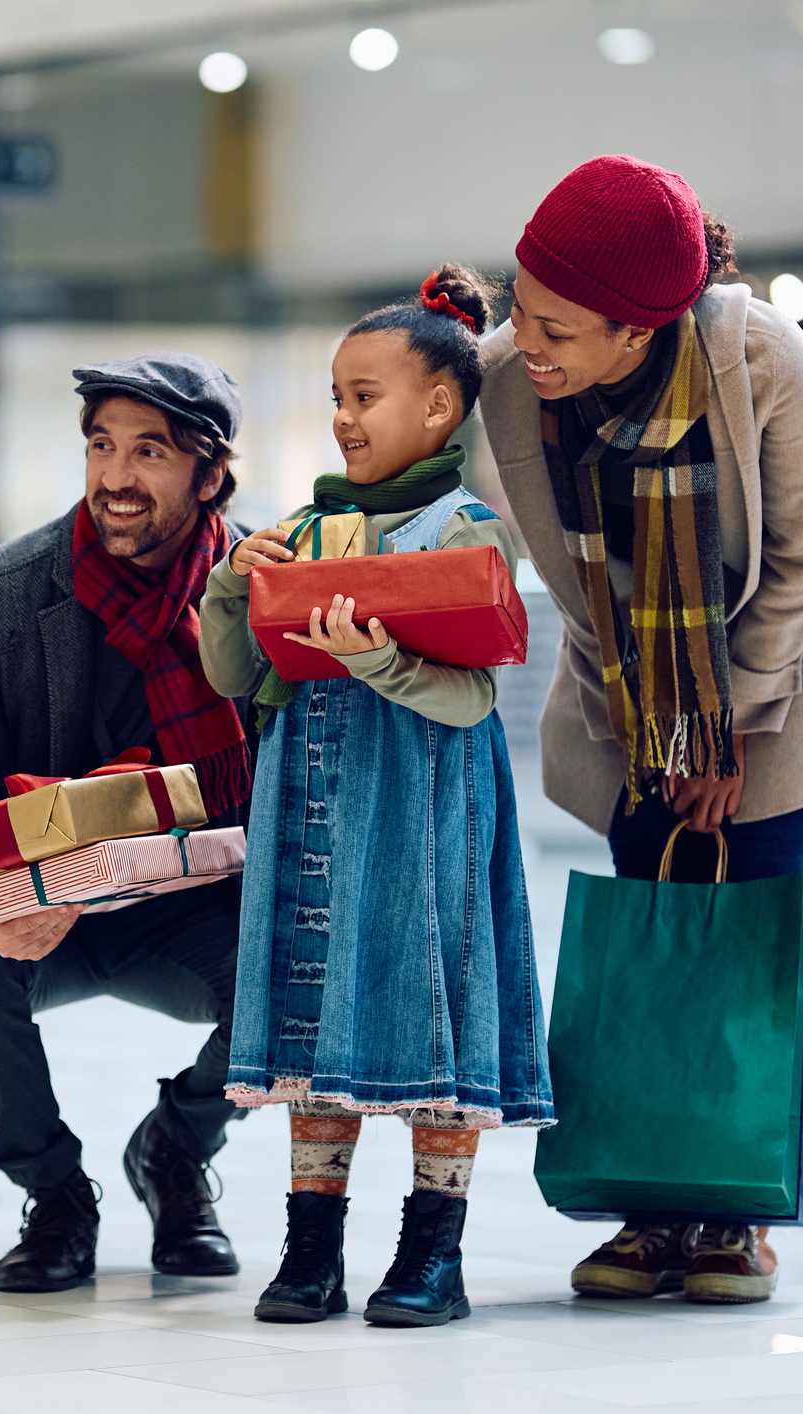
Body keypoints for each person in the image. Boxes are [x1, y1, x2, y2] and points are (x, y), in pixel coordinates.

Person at [478, 156, 803, 1304]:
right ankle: (650, 1207)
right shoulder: (515, 383)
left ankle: (738, 1214)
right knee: (651, 907)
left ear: (638, 328)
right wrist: (666, 744)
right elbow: (569, 577)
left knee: (744, 922)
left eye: (556, 326)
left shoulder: (762, 363)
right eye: (519, 310)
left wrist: (729, 726)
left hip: (779, 662)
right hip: (629, 683)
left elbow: (800, 560)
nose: (528, 342)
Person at [200, 267, 553, 1328]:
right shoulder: (301, 530)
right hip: (313, 810)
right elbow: (236, 673)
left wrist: (379, 663)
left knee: (430, 1004)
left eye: (366, 395)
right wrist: (233, 584)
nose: (344, 417)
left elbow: (474, 692)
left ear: (440, 406)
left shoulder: (465, 531)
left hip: (426, 816)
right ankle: (311, 1250)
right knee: (320, 1010)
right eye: (339, 396)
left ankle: (431, 1253)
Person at [0, 354, 254, 1293]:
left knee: (296, 965)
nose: (114, 476)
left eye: (150, 451)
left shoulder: (261, 590)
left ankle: (175, 1152)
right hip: (30, 901)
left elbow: (297, 793)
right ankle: (55, 1192)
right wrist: (25, 892)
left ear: (210, 473)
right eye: (102, 445)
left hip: (194, 901)